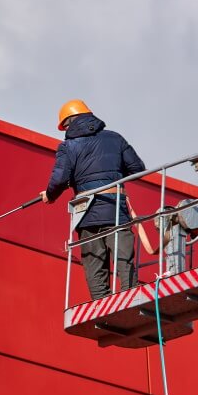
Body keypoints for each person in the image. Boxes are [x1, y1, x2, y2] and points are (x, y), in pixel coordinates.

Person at [40, 99, 146, 300]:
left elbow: (60, 178)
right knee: (124, 258)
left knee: (94, 261)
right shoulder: (115, 139)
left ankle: (101, 305)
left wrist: (50, 195)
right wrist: (110, 173)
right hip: (116, 209)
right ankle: (130, 297)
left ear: (69, 122)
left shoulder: (68, 147)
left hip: (86, 213)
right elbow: (137, 169)